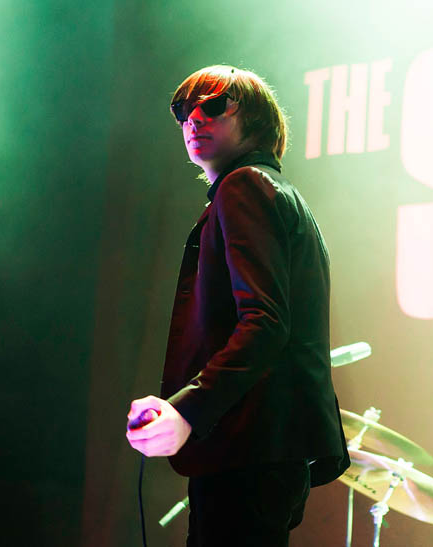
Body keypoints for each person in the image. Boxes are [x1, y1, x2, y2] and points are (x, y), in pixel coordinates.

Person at [125, 65, 350, 546]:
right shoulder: (273, 193)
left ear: (256, 120)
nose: (193, 118)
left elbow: (266, 322)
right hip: (266, 451)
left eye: (212, 105)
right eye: (184, 109)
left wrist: (186, 411)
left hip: (248, 448)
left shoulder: (244, 186)